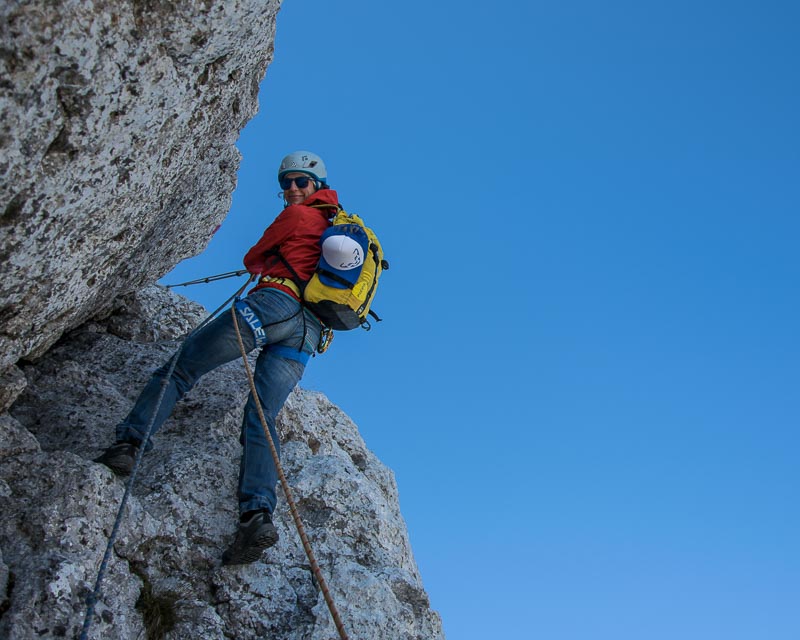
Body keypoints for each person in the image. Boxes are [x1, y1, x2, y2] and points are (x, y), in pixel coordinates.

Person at [95, 150, 338, 565]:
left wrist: (275, 263)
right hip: (307, 331)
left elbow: (253, 258)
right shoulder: (336, 234)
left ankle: (130, 444)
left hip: (273, 304)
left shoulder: (297, 218)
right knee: (263, 417)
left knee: (181, 368)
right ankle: (256, 516)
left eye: (300, 182)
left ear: (316, 187)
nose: (293, 189)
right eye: (287, 183)